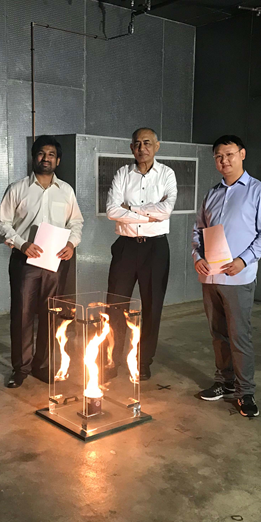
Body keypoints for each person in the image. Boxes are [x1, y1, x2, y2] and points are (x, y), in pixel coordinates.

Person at [192, 134, 261, 417]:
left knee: (239, 335)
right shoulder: (212, 194)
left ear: (242, 154)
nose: (224, 160)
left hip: (238, 278)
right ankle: (224, 382)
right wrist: (197, 258)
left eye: (229, 154)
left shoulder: (259, 191)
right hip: (211, 277)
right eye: (218, 156)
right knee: (218, 334)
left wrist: (244, 260)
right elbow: (198, 231)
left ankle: (245, 391)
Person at [0, 135, 84, 388]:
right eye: (41, 153)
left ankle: (41, 365)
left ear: (58, 161)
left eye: (51, 155)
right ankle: (21, 368)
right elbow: (2, 223)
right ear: (34, 157)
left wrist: (71, 244)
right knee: (22, 315)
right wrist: (21, 243)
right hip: (25, 260)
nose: (46, 158)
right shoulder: (17, 189)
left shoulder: (66, 190)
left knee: (50, 315)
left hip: (55, 262)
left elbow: (76, 222)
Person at [106, 128, 177, 380]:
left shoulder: (167, 174)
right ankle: (111, 360)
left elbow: (166, 210)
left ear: (157, 146)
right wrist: (149, 214)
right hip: (126, 247)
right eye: (137, 143)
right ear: (131, 148)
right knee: (115, 305)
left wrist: (132, 208)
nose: (142, 148)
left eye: (147, 143)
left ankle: (143, 361)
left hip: (155, 248)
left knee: (152, 307)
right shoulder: (122, 174)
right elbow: (112, 210)